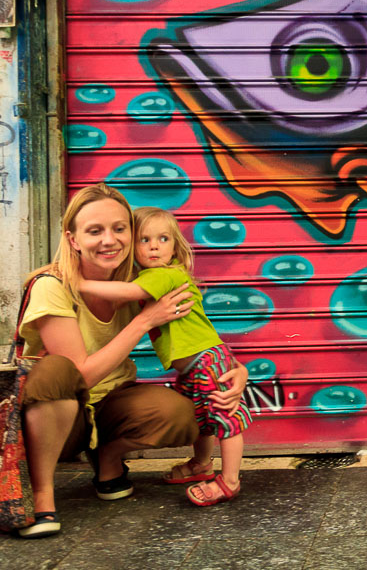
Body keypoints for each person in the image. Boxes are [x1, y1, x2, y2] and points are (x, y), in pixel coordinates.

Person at [17, 184, 248, 538]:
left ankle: (108, 454)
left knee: (185, 414)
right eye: (95, 231)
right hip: (62, 414)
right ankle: (43, 499)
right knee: (57, 369)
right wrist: (144, 321)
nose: (109, 240)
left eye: (119, 228)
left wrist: (238, 370)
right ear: (73, 238)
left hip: (112, 401)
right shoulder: (52, 285)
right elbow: (80, 377)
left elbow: (201, 330)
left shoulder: (137, 280)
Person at [78, 206, 251, 507]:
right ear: (132, 246)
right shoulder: (154, 278)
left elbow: (127, 293)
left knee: (226, 418)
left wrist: (75, 282)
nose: (154, 246)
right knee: (200, 417)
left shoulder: (163, 276)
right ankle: (202, 464)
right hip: (195, 365)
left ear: (175, 247)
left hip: (206, 359)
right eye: (144, 240)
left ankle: (230, 480)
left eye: (163, 239)